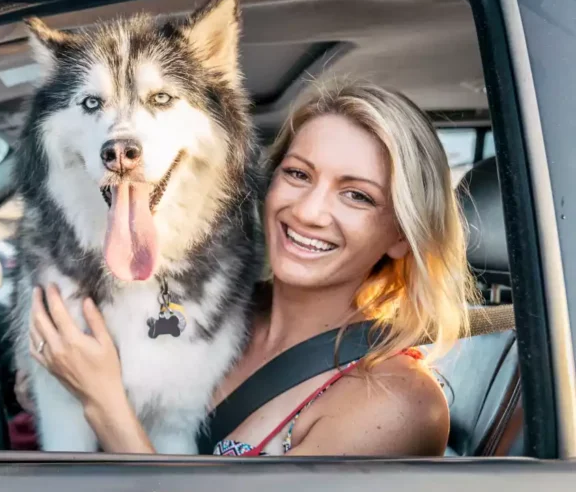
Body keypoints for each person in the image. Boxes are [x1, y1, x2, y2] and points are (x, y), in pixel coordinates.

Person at [24, 80, 478, 457]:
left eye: (356, 195)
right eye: (298, 174)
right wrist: (54, 381)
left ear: (401, 235)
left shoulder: (396, 403)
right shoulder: (210, 312)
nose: (308, 212)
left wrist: (101, 401)